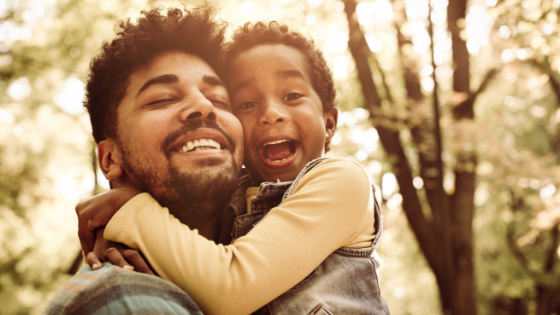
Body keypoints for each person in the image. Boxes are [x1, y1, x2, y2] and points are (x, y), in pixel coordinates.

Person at [76, 18, 390, 315]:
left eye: (292, 95)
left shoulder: (342, 179)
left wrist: (128, 210)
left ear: (330, 123)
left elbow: (231, 287)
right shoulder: (233, 209)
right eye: (246, 104)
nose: (271, 113)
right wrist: (115, 232)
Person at [46, 6, 245, 314]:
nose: (204, 107)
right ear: (110, 158)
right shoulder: (123, 297)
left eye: (219, 99)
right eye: (163, 98)